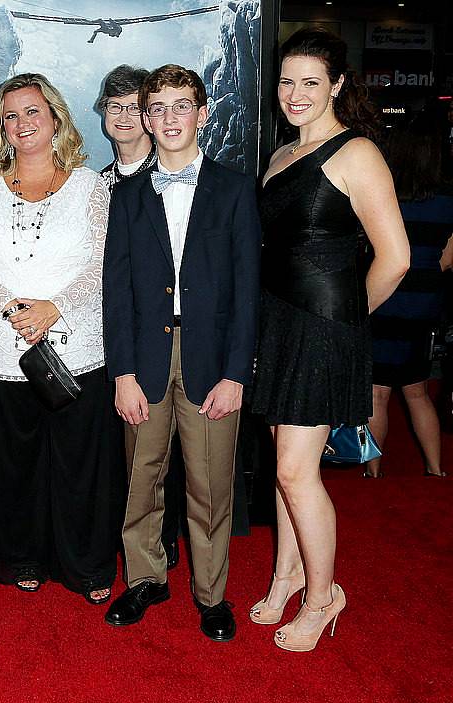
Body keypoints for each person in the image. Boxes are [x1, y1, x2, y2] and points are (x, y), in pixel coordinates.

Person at [249, 27, 409, 652]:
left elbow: (395, 257)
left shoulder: (357, 153)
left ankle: (324, 596)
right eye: (286, 82)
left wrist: (342, 318)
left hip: (322, 328)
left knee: (295, 469)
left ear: (338, 85)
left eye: (309, 82)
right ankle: (288, 574)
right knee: (287, 470)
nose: (294, 94)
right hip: (279, 323)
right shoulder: (281, 155)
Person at [103, 64, 261, 642]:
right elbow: (114, 292)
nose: (169, 117)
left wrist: (236, 372)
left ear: (202, 113)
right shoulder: (125, 196)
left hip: (212, 360)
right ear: (145, 118)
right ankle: (145, 578)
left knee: (210, 483)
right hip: (143, 360)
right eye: (158, 107)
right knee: (141, 475)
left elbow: (248, 291)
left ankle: (212, 594)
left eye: (181, 105)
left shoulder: (235, 189)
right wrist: (121, 371)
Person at [0, 73, 122, 604]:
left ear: (55, 118)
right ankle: (21, 557)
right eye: (10, 115)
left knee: (79, 467)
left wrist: (54, 308)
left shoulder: (91, 186)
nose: (22, 123)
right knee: (13, 464)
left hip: (75, 348)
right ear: (0, 127)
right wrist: (10, 307)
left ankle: (86, 567)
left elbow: (102, 262)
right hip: (3, 350)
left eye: (32, 112)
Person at [97, 63, 185, 571]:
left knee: (166, 452)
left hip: (164, 338)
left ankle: (161, 540)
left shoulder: (176, 174)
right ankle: (130, 537)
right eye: (115, 106)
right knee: (125, 450)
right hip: (109, 332)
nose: (124, 115)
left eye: (134, 106)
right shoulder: (95, 182)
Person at [364, 114, 452, 479]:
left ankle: (374, 473)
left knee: (377, 393)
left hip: (384, 295)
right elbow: (447, 261)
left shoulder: (383, 193)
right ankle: (435, 469)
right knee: (417, 391)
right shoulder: (449, 198)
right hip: (424, 301)